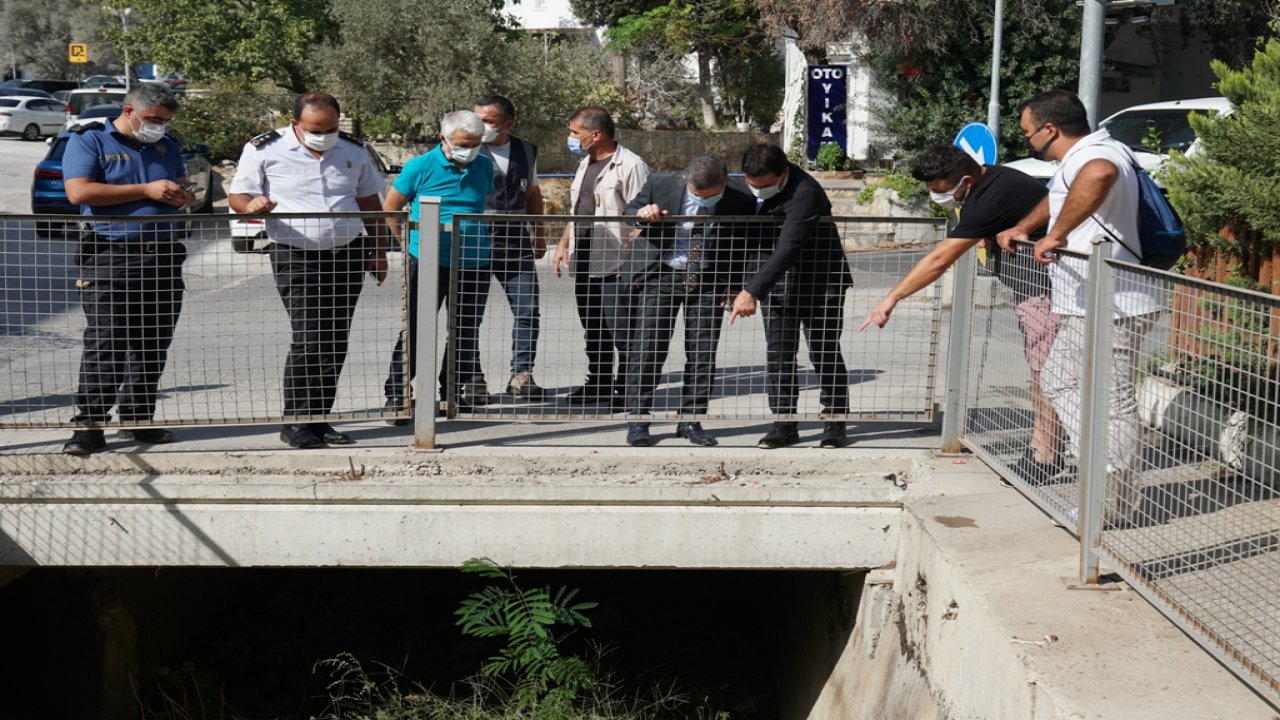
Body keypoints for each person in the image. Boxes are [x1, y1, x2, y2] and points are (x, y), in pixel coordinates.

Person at [997, 89, 1162, 524]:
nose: (1028, 142)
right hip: (1098, 304)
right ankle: (1103, 476)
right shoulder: (1089, 154)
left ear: (1050, 130)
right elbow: (1058, 197)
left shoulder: (1097, 156)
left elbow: (1099, 176)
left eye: (1029, 134)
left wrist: (1058, 235)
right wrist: (1026, 227)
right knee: (1060, 380)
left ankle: (1105, 505)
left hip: (1114, 305)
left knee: (1114, 404)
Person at [860, 144, 1064, 478]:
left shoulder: (986, 201)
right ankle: (1050, 445)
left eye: (939, 189)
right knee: (1047, 371)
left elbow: (939, 259)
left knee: (1046, 374)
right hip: (1038, 291)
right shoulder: (997, 179)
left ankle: (1044, 456)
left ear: (965, 180)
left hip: (1044, 292)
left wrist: (890, 299)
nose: (935, 195)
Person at [229, 92, 389, 449]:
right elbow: (238, 196)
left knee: (335, 340)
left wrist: (379, 252)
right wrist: (252, 204)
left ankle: (319, 419)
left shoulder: (352, 149)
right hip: (296, 256)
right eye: (316, 129)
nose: (324, 135)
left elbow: (370, 205)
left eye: (331, 128)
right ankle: (296, 421)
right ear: (295, 124)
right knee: (310, 337)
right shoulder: (264, 149)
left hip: (347, 254)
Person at [61, 83, 193, 456]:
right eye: (154, 120)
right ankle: (90, 425)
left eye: (165, 121)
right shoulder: (90, 141)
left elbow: (180, 185)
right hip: (109, 255)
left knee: (152, 342)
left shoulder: (166, 146)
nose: (160, 127)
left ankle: (137, 417)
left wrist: (184, 195)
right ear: (130, 110)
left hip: (162, 256)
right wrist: (146, 191)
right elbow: (80, 193)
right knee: (107, 340)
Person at [620, 154, 756, 447]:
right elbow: (630, 210)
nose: (704, 201)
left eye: (711, 196)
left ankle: (691, 418)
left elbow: (744, 245)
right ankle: (638, 419)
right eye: (697, 195)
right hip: (663, 274)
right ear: (686, 180)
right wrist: (643, 212)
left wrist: (736, 287)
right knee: (648, 348)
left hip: (708, 279)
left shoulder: (740, 196)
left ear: (724, 184)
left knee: (703, 351)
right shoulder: (660, 183)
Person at [729, 143, 854, 449]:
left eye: (766, 185)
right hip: (778, 286)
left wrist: (751, 291)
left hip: (820, 284)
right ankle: (784, 422)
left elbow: (789, 246)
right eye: (752, 184)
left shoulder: (805, 193)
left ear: (783, 174)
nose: (758, 190)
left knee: (824, 351)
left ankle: (835, 420)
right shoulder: (741, 186)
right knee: (779, 355)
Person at [381, 110, 495, 419]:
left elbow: (480, 202)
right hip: (428, 262)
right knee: (416, 330)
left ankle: (451, 394)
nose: (469, 149)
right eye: (463, 143)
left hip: (474, 263)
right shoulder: (419, 167)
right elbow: (391, 208)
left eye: (475, 143)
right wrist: (406, 246)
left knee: (464, 331)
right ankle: (398, 395)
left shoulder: (484, 166)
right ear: (442, 138)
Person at [550, 106, 651, 406]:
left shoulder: (631, 166)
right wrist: (563, 244)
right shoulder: (586, 163)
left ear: (596, 134)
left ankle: (629, 390)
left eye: (574, 133)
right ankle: (599, 384)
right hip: (586, 260)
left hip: (616, 265)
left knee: (623, 330)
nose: (570, 139)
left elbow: (643, 217)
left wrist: (633, 264)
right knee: (593, 327)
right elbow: (578, 211)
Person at [473, 94, 546, 398]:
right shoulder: (468, 147)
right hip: (474, 244)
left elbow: (532, 195)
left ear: (508, 123)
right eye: (478, 119)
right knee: (468, 314)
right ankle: (470, 379)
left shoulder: (526, 151)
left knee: (527, 310)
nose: (481, 126)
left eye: (488, 121)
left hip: (515, 246)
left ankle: (521, 376)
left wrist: (539, 233)